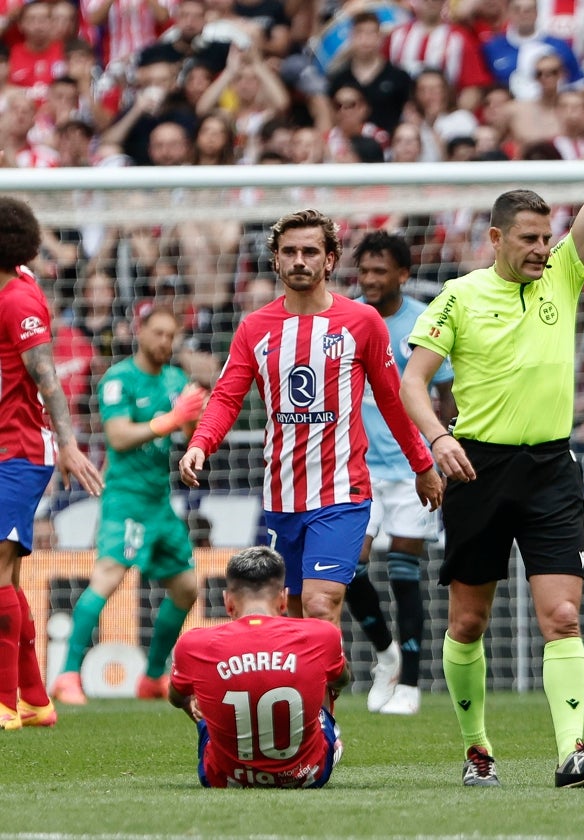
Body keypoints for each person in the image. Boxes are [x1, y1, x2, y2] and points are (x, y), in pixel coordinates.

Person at [399, 57, 584, 790]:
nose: (545, 249)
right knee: (468, 624)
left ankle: (572, 749)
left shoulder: (567, 276)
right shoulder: (458, 296)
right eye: (531, 239)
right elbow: (414, 383)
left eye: (549, 237)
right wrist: (439, 440)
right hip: (475, 464)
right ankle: (478, 749)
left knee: (563, 615)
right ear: (497, 239)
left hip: (550, 468)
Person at [179, 209, 443, 625]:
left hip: (342, 493)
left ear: (330, 259)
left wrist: (422, 464)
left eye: (310, 251)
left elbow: (393, 399)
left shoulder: (362, 322)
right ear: (276, 260)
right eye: (290, 251)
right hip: (282, 495)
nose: (299, 260)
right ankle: (327, 686)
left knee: (322, 606)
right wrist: (200, 444)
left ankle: (336, 686)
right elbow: (227, 397)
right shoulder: (255, 328)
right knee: (294, 617)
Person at [52, 308, 207, 706]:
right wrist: (174, 418)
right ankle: (67, 675)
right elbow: (119, 438)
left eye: (170, 335)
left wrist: (193, 418)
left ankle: (153, 677)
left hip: (159, 501)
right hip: (125, 498)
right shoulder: (118, 380)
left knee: (188, 587)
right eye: (157, 333)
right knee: (107, 576)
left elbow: (187, 431)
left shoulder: (175, 379)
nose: (164, 342)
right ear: (140, 332)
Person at [0, 196, 106, 731]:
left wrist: (67, 443)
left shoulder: (18, 300)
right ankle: (36, 702)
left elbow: (47, 377)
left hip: (19, 452)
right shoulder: (9, 279)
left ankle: (3, 705)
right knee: (8, 582)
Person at [344, 231, 455, 716]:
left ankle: (409, 683)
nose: (369, 279)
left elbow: (446, 392)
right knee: (349, 566)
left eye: (379, 271)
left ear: (402, 275)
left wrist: (444, 446)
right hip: (358, 466)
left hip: (413, 466)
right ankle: (386, 653)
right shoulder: (345, 319)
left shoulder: (421, 322)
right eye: (363, 270)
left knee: (406, 572)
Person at [168, 545, 349, 788]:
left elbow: (175, 697)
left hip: (224, 778)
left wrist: (199, 709)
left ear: (228, 602)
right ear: (284, 599)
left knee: (201, 694)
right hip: (308, 776)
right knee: (324, 675)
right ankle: (330, 740)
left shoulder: (193, 643)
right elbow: (341, 680)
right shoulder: (321, 634)